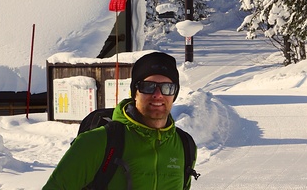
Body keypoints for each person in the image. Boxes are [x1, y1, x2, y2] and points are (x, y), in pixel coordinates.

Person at [43, 51, 197, 190]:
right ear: (134, 92)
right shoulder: (96, 142)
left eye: (167, 88)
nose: (158, 94)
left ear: (174, 94)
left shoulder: (185, 146)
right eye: (148, 86)